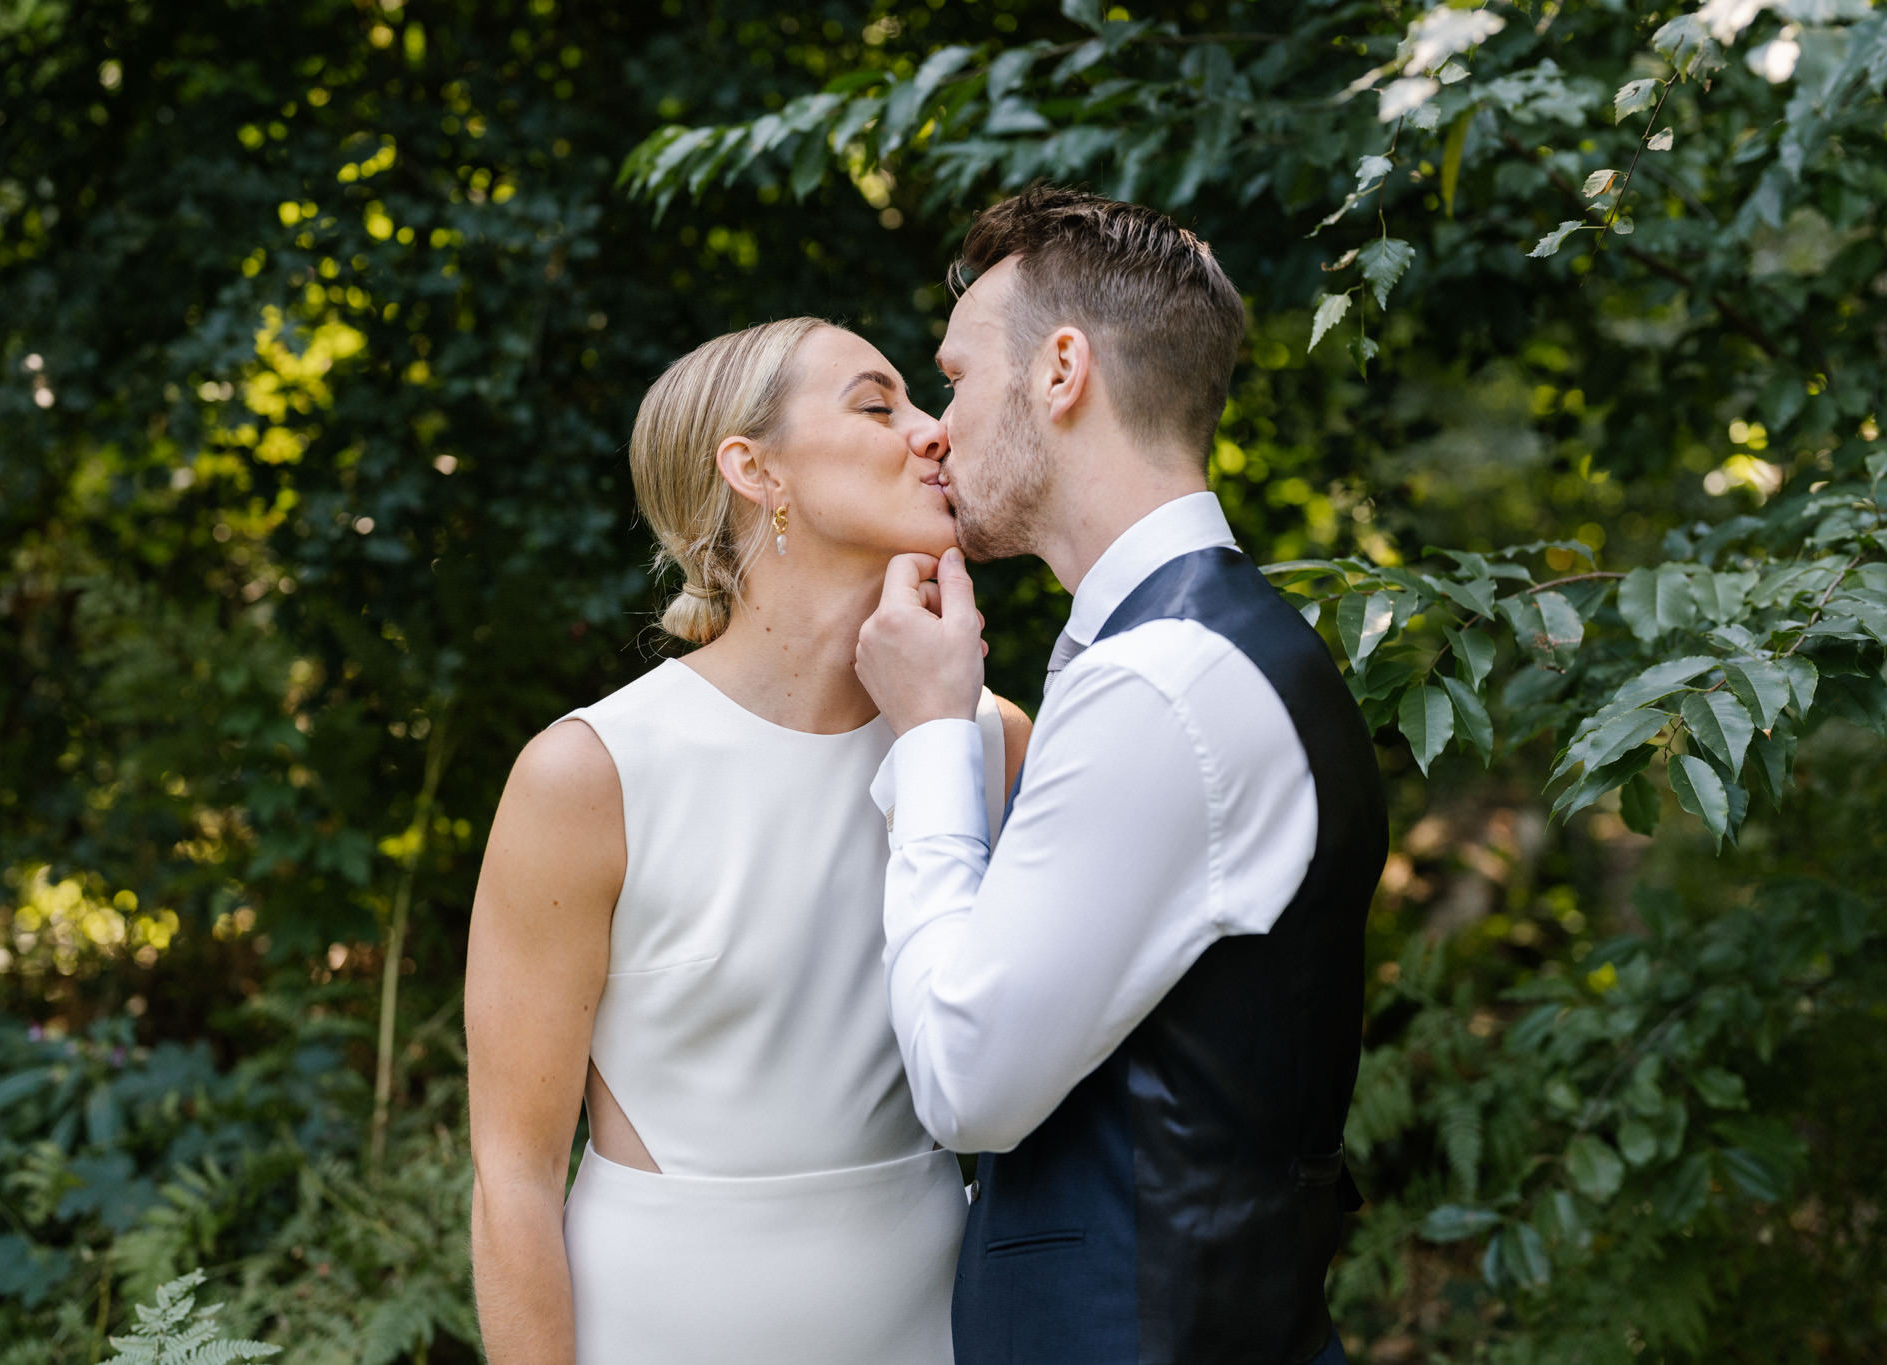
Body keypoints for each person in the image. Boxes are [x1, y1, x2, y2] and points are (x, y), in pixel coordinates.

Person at [854, 187, 1388, 1365]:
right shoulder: (1189, 651)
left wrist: (933, 733)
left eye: (953, 377)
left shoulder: (1165, 686)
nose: (935, 427)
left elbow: (964, 1080)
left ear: (1059, 372)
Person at [463, 316, 1031, 1365]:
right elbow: (513, 1177)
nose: (931, 431)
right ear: (752, 469)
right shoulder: (587, 775)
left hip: (935, 1326)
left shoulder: (987, 746)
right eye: (877, 405)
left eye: (920, 400)